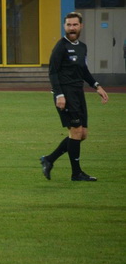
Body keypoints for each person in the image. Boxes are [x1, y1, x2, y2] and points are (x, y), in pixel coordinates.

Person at [40, 12, 109, 182]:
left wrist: (96, 86)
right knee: (76, 131)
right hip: (66, 94)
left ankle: (49, 159)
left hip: (78, 93)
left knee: (82, 134)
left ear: (81, 26)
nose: (72, 28)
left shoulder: (82, 47)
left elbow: (83, 71)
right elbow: (53, 73)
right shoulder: (60, 47)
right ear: (64, 27)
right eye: (69, 25)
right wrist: (60, 95)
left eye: (75, 25)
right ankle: (76, 173)